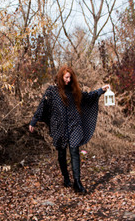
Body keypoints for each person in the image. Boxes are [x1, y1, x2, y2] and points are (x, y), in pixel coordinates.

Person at [29, 65, 109, 194]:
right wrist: (34, 120)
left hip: (74, 125)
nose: (69, 80)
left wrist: (101, 90)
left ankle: (77, 182)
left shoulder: (74, 91)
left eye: (70, 77)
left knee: (74, 151)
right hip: (59, 127)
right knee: (61, 153)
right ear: (61, 77)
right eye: (66, 77)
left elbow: (88, 97)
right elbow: (42, 105)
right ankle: (66, 177)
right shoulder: (52, 91)